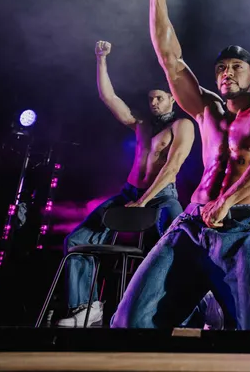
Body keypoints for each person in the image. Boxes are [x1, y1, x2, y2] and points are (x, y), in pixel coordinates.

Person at [110, 0, 250, 330]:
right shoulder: (207, 110)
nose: (227, 73)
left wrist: (228, 201)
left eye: (237, 67)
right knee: (129, 323)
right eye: (222, 68)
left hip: (241, 224)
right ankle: (210, 300)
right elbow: (170, 60)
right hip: (191, 223)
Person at [56, 41, 193, 327]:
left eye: (159, 98)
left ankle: (188, 313)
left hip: (161, 196)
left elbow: (173, 167)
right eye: (150, 99)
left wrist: (144, 202)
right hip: (130, 193)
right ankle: (86, 307)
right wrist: (100, 59)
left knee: (182, 243)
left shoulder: (182, 125)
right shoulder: (141, 124)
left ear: (171, 98)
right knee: (77, 241)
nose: (153, 103)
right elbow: (109, 98)